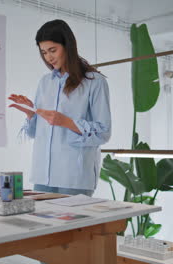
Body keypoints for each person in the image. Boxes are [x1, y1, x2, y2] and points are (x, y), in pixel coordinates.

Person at [8, 19, 111, 196]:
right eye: (44, 52)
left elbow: (103, 131)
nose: (48, 57)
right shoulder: (45, 83)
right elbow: (36, 133)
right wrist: (30, 113)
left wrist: (66, 122)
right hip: (43, 176)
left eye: (53, 50)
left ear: (68, 46)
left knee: (74, 224)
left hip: (74, 177)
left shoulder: (94, 82)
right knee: (41, 223)